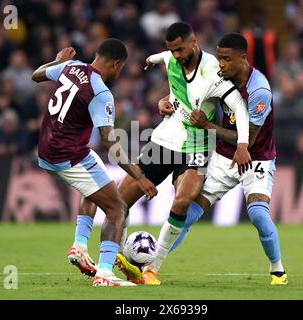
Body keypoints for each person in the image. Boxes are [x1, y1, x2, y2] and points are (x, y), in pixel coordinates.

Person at [115, 22, 251, 285]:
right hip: (164, 141)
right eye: (172, 51)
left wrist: (243, 145)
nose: (176, 55)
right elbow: (160, 58)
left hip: (197, 147)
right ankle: (117, 258)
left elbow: (240, 109)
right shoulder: (171, 58)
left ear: (193, 42)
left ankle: (151, 267)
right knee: (120, 200)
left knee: (181, 202)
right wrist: (159, 90)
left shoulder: (214, 72)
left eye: (180, 50)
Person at [31, 40, 157, 287]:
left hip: (47, 150)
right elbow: (111, 143)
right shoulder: (100, 91)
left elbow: (36, 75)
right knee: (117, 209)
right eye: (120, 68)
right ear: (116, 64)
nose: (119, 73)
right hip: (67, 155)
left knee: (98, 185)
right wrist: (140, 177)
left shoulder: (70, 67)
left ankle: (79, 246)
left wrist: (58, 61)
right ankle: (105, 273)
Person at [170, 33, 288, 285]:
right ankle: (149, 263)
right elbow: (189, 93)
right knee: (187, 213)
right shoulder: (221, 78)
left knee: (257, 213)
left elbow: (249, 140)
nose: (221, 64)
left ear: (242, 58)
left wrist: (207, 125)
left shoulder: (259, 91)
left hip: (256, 157)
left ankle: (277, 270)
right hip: (224, 157)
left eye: (226, 59)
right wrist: (167, 100)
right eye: (219, 58)